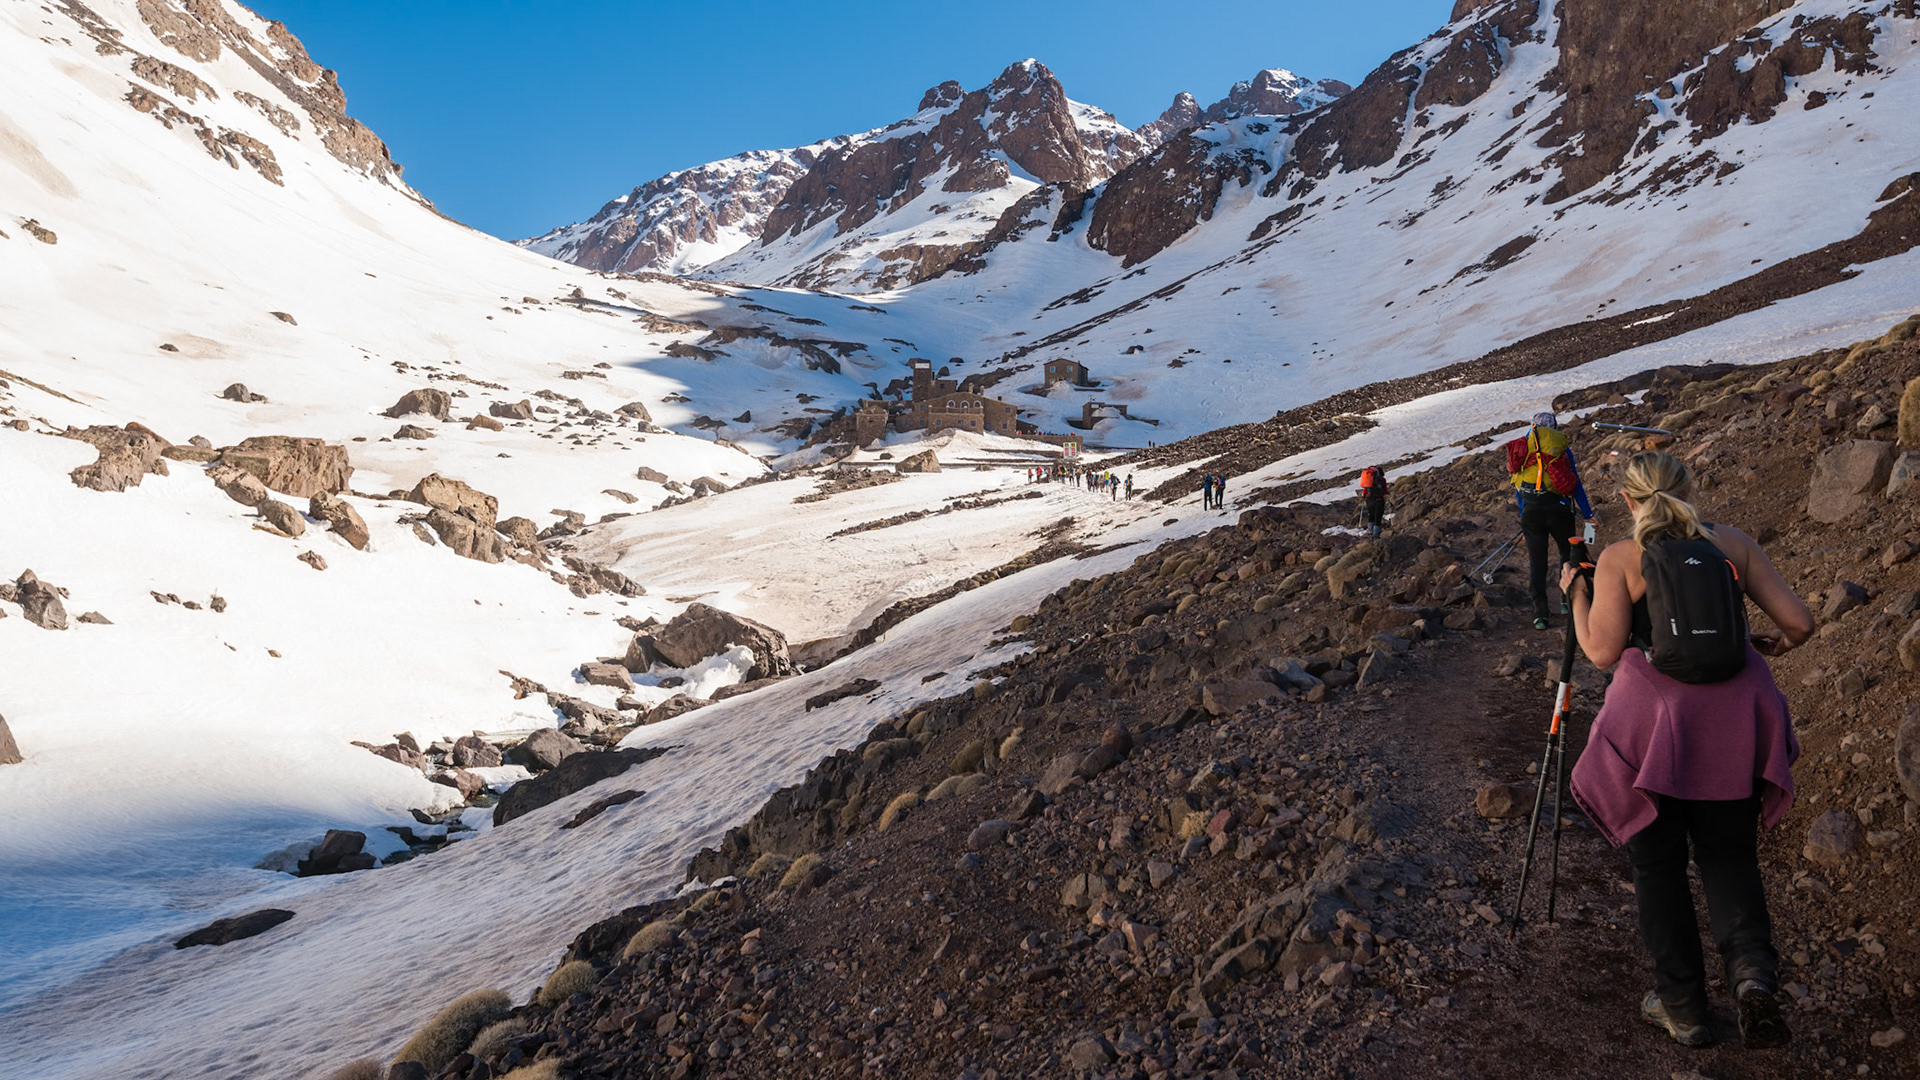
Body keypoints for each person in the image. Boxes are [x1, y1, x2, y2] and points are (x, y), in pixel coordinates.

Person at [1565, 451, 1811, 1051]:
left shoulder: (1624, 558)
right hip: (1734, 726)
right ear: (1690, 491)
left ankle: (1683, 1008)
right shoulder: (1732, 545)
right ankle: (1752, 979)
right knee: (1730, 857)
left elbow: (1601, 652)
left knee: (1659, 865)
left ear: (1628, 501)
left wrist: (1576, 590)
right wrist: (1766, 644)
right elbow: (1800, 623)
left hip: (1654, 727)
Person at [1506, 411, 1594, 630]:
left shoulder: (1523, 450)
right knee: (1568, 553)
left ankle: (1540, 614)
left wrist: (1523, 514)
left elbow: (1518, 487)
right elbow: (1574, 483)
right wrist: (1588, 514)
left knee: (1538, 562)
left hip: (1531, 514)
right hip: (1560, 510)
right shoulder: (1560, 450)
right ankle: (1567, 601)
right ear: (1553, 427)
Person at [1357, 465, 1388, 538]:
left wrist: (1364, 496)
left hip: (1369, 499)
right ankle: (1376, 535)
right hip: (1379, 499)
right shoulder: (1382, 480)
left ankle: (1370, 531)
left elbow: (1365, 491)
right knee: (1378, 517)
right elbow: (1385, 490)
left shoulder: (1369, 480)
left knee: (1371, 515)